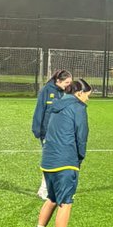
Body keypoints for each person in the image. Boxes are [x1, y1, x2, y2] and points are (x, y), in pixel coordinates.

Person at [30, 79, 93, 227]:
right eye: (88, 95)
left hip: (48, 160)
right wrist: (80, 158)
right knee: (66, 202)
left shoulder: (56, 105)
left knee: (51, 198)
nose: (88, 99)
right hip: (65, 161)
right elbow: (81, 136)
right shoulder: (78, 108)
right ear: (79, 93)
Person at [31, 69, 73, 199]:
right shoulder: (46, 91)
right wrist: (37, 130)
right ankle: (43, 189)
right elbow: (39, 110)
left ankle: (56, 188)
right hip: (47, 133)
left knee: (60, 160)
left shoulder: (63, 92)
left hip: (60, 133)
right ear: (58, 80)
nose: (69, 85)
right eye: (67, 82)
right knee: (49, 161)